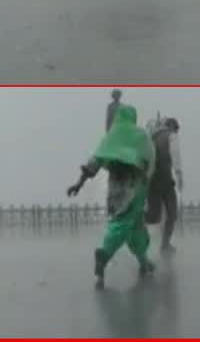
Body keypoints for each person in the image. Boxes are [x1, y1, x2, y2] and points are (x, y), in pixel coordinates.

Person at [67, 104, 156, 289]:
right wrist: (148, 182)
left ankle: (143, 261)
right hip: (135, 185)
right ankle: (105, 254)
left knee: (131, 224)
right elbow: (150, 159)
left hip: (115, 187)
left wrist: (79, 183)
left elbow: (95, 160)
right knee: (126, 224)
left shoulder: (111, 137)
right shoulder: (140, 136)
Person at [146, 117, 183, 254]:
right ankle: (165, 244)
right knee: (172, 214)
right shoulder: (171, 136)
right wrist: (179, 175)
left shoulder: (152, 137)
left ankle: (133, 222)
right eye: (177, 129)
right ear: (173, 126)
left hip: (152, 182)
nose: (177, 132)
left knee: (153, 216)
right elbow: (176, 155)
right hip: (166, 181)